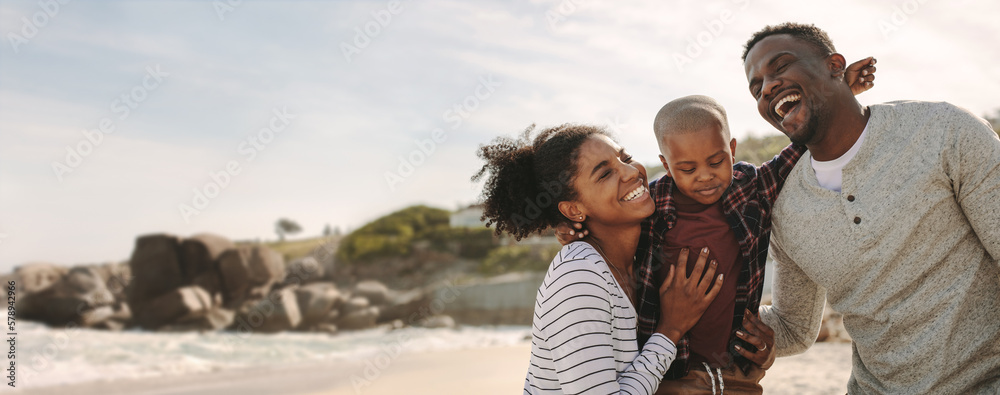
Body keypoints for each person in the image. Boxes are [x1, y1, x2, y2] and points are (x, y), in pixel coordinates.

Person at [742, 22, 1000, 393]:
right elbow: (793, 328)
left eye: (780, 67)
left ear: (835, 66)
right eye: (756, 88)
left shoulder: (943, 131)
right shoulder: (785, 210)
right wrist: (701, 319)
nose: (767, 87)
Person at [474, 124, 728, 394]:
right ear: (574, 209)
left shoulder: (642, 251)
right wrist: (670, 330)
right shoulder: (577, 279)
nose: (632, 172)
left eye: (626, 158)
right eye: (606, 173)